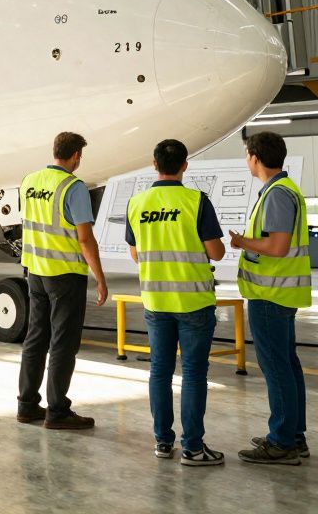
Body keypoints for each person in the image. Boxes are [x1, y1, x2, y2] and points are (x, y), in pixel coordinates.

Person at [125, 140, 226, 465]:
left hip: (156, 301)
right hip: (194, 302)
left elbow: (135, 252)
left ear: (154, 164)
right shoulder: (196, 201)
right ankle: (193, 448)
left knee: (160, 371)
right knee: (194, 373)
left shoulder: (137, 203)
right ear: (185, 165)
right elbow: (216, 252)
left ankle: (162, 442)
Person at [16, 131, 108, 430]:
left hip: (35, 272)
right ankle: (57, 411)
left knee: (35, 339)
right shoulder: (74, 187)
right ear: (76, 156)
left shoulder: (29, 181)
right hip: (65, 275)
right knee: (63, 344)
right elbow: (84, 238)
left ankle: (27, 405)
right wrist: (100, 277)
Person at [230, 131, 311, 465]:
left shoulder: (277, 195)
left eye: (247, 156)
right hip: (280, 291)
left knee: (277, 368)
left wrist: (242, 243)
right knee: (287, 365)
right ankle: (293, 435)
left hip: (270, 293)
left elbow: (277, 247)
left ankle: (281, 442)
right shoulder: (280, 190)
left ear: (255, 157)